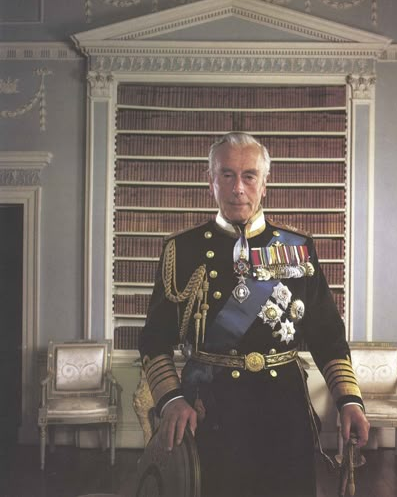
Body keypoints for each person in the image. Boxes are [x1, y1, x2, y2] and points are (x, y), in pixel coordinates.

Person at [139, 131, 369, 497]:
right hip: (210, 411)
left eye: (249, 176)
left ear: (265, 183)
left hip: (284, 409)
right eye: (227, 175)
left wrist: (348, 399)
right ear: (210, 180)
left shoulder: (298, 249)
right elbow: (154, 339)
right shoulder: (181, 250)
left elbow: (327, 334)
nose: (238, 188)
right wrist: (172, 399)